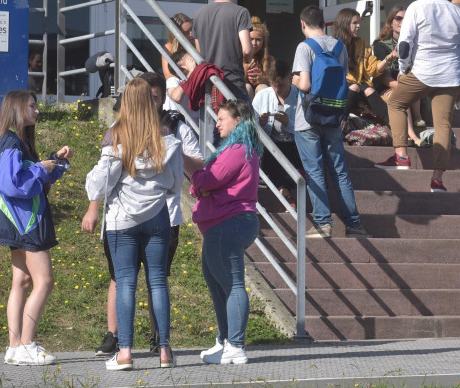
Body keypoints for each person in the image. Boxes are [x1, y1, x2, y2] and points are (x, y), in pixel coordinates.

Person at [88, 71, 204, 358]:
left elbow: (99, 183)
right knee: (158, 280)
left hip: (123, 220)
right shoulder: (168, 139)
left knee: (125, 281)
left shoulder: (118, 137)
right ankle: (164, 349)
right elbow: (176, 183)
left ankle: (125, 351)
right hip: (158, 218)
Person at [0, 90, 71, 366]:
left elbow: (30, 179)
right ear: (17, 109)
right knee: (44, 281)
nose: (37, 111)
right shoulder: (12, 142)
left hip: (18, 223)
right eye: (32, 106)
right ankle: (26, 343)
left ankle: (14, 347)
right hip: (27, 223)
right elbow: (11, 184)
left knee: (21, 282)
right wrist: (40, 168)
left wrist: (52, 162)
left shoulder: (15, 141)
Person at [375, 0, 460, 194]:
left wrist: (403, 69)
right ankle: (437, 180)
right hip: (450, 74)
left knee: (396, 102)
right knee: (443, 125)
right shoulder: (457, 12)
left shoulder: (417, 7)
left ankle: (401, 156)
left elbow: (405, 44)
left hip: (423, 71)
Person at [191, 99, 262, 365]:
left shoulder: (236, 148)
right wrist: (202, 184)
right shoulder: (241, 149)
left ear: (238, 121)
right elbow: (206, 182)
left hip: (227, 223)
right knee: (217, 282)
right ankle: (225, 341)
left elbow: (208, 178)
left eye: (222, 118)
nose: (217, 123)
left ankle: (236, 345)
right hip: (226, 223)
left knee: (231, 284)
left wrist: (200, 181)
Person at [292, 5, 368, 238]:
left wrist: (294, 79)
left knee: (314, 170)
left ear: (303, 24)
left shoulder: (304, 47)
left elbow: (304, 85)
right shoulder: (339, 46)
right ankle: (354, 224)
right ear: (325, 24)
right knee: (339, 171)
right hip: (333, 115)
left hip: (308, 119)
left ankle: (323, 223)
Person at [192, 0, 254, 102]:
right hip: (232, 83)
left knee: (215, 121)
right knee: (241, 121)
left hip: (208, 84)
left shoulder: (198, 14)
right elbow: (247, 51)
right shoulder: (241, 13)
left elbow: (199, 53)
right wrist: (249, 58)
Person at [252, 59, 303, 208]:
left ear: (290, 79)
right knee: (272, 154)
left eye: (280, 85)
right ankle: (285, 191)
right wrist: (261, 123)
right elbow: (252, 128)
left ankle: (284, 190)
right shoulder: (263, 95)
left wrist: (288, 124)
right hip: (271, 145)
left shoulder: (300, 97)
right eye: (273, 85)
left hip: (294, 145)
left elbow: (307, 130)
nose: (276, 89)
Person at [372, 5, 425, 146]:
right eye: (398, 18)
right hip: (385, 86)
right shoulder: (380, 45)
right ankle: (412, 135)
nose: (402, 21)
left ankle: (418, 117)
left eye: (405, 18)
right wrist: (403, 85)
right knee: (402, 93)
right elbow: (383, 77)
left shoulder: (414, 45)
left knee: (410, 83)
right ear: (390, 23)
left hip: (408, 84)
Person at [334, 8, 391, 123]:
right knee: (355, 87)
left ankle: (393, 125)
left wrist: (388, 59)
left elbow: (372, 69)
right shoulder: (334, 45)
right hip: (340, 86)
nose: (359, 26)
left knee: (368, 90)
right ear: (344, 24)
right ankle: (339, 122)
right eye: (355, 23)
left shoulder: (362, 43)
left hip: (359, 86)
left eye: (358, 22)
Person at [244, 16, 276, 99]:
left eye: (258, 40)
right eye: (251, 39)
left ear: (263, 42)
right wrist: (245, 70)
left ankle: (263, 113)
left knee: (262, 87)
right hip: (243, 103)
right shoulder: (237, 58)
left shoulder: (269, 60)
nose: (254, 43)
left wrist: (264, 79)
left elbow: (277, 84)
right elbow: (232, 83)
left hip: (262, 99)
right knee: (246, 87)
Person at [161, 12, 194, 81]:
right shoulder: (169, 47)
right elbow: (169, 76)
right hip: (179, 86)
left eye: (192, 29)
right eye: (186, 32)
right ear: (176, 35)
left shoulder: (197, 44)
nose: (191, 34)